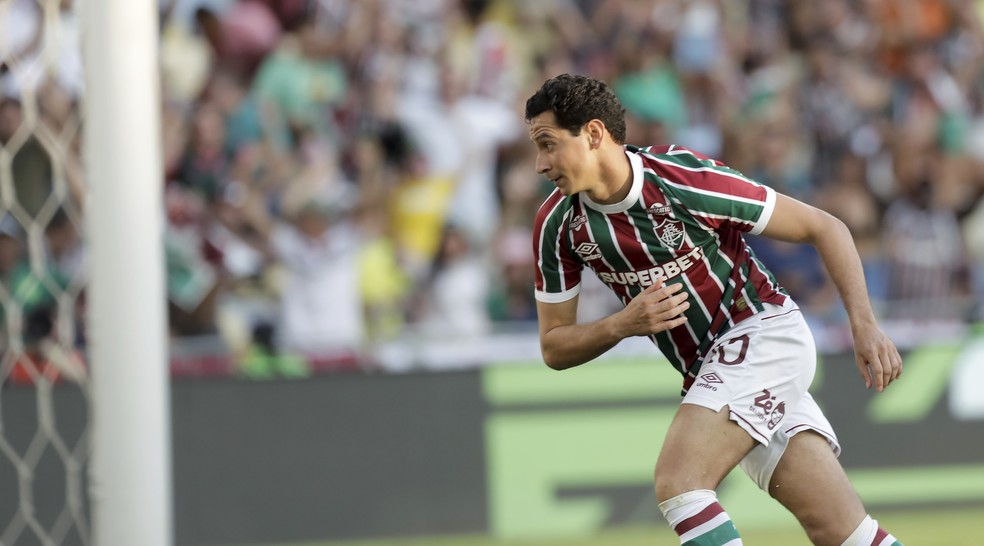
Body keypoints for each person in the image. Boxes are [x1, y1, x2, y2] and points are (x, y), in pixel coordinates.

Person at [526, 74, 904, 546]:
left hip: (763, 333)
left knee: (680, 483)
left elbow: (826, 227)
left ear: (595, 134)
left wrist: (864, 326)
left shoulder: (683, 181)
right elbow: (553, 346)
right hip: (717, 370)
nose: (540, 164)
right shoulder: (557, 225)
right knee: (844, 532)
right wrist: (624, 324)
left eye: (548, 144)